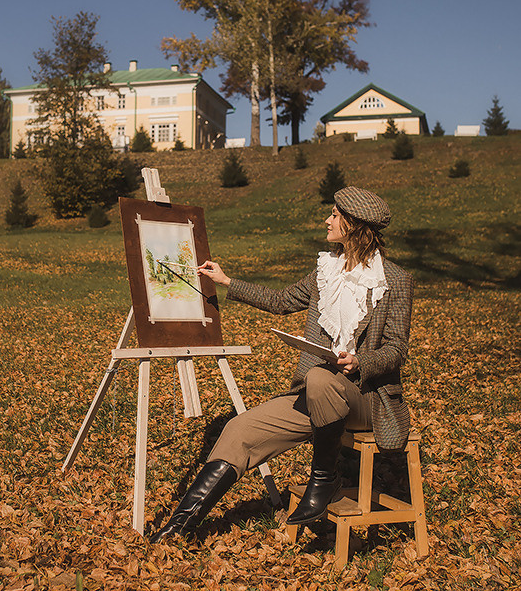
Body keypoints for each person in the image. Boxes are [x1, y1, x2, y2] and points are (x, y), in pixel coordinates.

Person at [150, 187, 414, 543]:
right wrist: (227, 281)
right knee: (239, 430)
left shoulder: (394, 280)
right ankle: (179, 527)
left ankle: (325, 479)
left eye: (334, 215)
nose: (328, 220)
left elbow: (397, 349)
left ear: (353, 225)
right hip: (318, 394)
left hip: (364, 398)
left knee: (321, 377)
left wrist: (360, 361)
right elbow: (281, 300)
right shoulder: (326, 272)